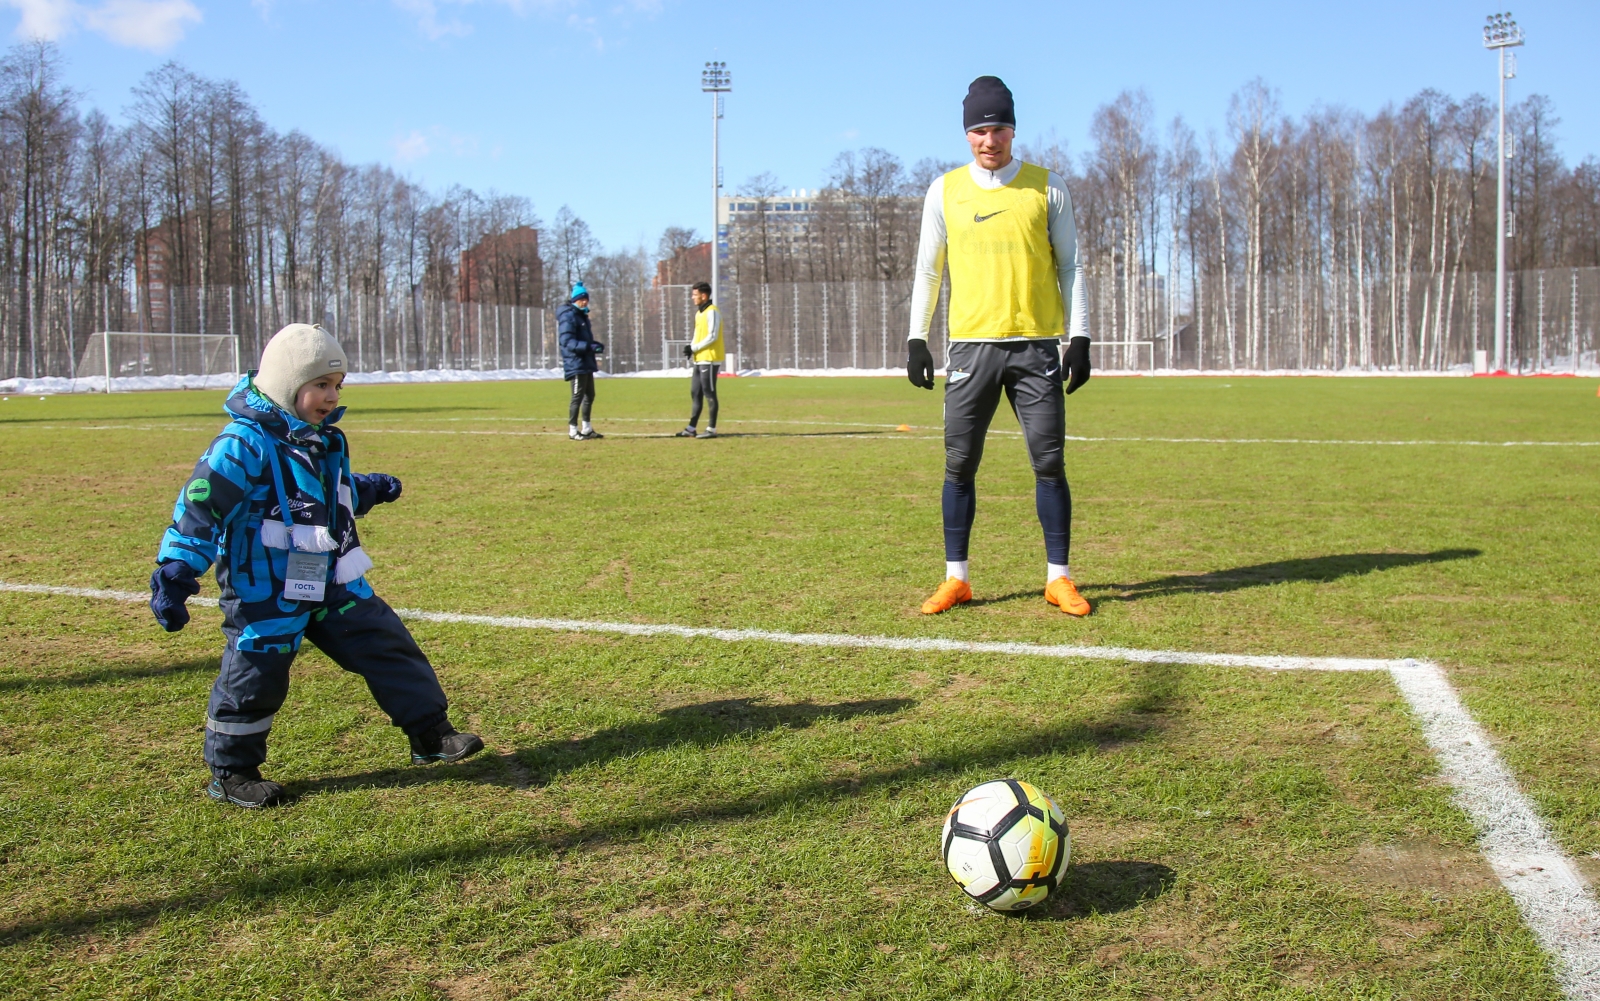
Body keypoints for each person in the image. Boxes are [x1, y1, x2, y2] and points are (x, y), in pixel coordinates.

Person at [149, 323, 484, 808]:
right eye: (321, 384)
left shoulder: (323, 440)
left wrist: (366, 489)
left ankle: (431, 733)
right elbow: (201, 507)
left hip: (332, 578)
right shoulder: (242, 444)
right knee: (255, 674)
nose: (332, 396)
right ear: (286, 383)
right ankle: (232, 771)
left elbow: (326, 495)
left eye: (338, 385)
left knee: (387, 644)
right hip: (265, 589)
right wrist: (177, 570)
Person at [905, 76, 1093, 618]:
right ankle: (956, 578)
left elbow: (1071, 266)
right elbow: (928, 270)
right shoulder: (944, 191)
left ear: (1014, 130)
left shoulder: (1047, 187)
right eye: (980, 130)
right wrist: (917, 338)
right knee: (959, 465)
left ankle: (1058, 578)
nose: (990, 140)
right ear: (967, 134)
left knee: (1049, 463)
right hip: (971, 348)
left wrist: (1079, 337)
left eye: (1000, 129)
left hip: (1036, 347)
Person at [558, 283, 606, 440]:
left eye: (586, 299)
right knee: (577, 397)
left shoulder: (582, 316)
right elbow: (567, 342)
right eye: (581, 299)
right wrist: (588, 347)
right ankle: (573, 430)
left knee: (590, 395)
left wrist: (594, 345)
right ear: (575, 300)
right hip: (576, 363)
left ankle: (587, 429)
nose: (585, 302)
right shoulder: (568, 316)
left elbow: (584, 340)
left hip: (585, 362)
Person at [675, 280, 722, 439]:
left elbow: (713, 336)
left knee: (709, 393)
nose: (692, 297)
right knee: (695, 393)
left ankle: (711, 429)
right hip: (699, 359)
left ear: (704, 295)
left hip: (710, 358)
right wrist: (691, 348)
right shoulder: (699, 313)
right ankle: (691, 428)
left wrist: (694, 348)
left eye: (695, 294)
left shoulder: (712, 312)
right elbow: (698, 334)